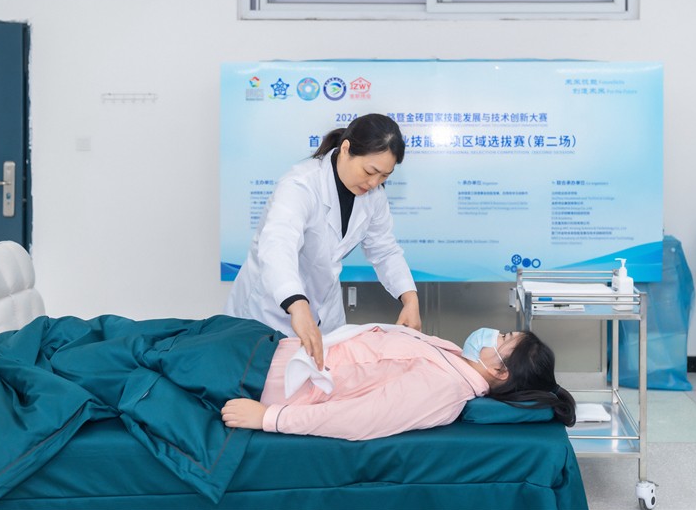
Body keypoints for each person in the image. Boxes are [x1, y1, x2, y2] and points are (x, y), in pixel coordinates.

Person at [225, 114, 420, 370]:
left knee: (321, 383)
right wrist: (297, 305)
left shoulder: (373, 197)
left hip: (324, 310)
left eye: (384, 176)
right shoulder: (301, 185)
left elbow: (385, 250)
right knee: (260, 381)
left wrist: (410, 298)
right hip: (270, 310)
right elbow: (278, 245)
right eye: (370, 171)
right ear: (346, 148)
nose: (374, 183)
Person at [221, 325, 576, 440]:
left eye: (502, 338)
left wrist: (270, 418)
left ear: (500, 371)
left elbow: (360, 418)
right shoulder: (454, 358)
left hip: (266, 375)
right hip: (275, 349)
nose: (492, 332)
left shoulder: (443, 389)